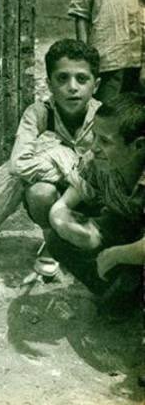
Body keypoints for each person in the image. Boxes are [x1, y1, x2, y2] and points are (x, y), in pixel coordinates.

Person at [11, 39, 101, 277]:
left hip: (94, 195)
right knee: (39, 192)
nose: (72, 87)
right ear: (49, 84)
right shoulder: (38, 113)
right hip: (55, 194)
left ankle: (90, 238)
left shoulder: (104, 116)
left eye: (82, 79)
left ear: (96, 84)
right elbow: (19, 164)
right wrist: (68, 164)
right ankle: (53, 243)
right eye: (62, 78)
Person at [47, 93, 145, 306]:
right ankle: (120, 294)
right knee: (56, 239)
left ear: (138, 146)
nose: (94, 147)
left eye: (105, 141)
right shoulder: (97, 160)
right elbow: (66, 202)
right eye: (94, 136)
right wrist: (62, 219)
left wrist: (114, 255)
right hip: (126, 227)